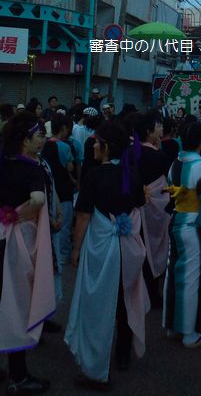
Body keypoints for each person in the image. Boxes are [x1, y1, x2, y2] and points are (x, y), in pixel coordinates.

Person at [65, 121, 149, 389]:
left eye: (96, 143)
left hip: (101, 247)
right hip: (127, 246)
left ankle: (94, 364)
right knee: (124, 299)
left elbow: (84, 216)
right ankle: (122, 353)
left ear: (106, 147)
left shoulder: (94, 175)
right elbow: (138, 204)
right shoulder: (132, 174)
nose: (92, 147)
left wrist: (76, 248)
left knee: (97, 304)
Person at [0, 112, 56, 395]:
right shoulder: (33, 169)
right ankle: (18, 376)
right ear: (25, 141)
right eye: (38, 136)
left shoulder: (3, 162)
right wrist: (24, 213)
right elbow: (38, 198)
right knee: (18, 304)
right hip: (18, 242)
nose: (42, 140)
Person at [163, 121, 201, 348]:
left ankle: (172, 326)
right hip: (193, 225)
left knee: (174, 273)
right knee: (192, 278)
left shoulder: (174, 165)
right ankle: (190, 332)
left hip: (177, 220)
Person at [135, 112, 171, 307]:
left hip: (137, 209)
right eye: (158, 126)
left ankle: (139, 291)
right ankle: (153, 292)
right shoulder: (159, 155)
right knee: (156, 248)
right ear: (149, 131)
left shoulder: (131, 152)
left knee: (141, 247)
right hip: (157, 209)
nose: (161, 129)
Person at [41, 114, 77, 265]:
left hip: (49, 191)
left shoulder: (44, 145)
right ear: (64, 128)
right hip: (63, 191)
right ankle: (62, 256)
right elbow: (70, 167)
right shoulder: (65, 147)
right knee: (64, 225)